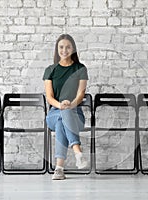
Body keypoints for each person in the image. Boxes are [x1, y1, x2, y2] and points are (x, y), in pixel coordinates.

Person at [43, 34, 88, 180]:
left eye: (68, 47)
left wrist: (72, 104)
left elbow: (81, 94)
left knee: (62, 121)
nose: (64, 50)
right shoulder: (50, 70)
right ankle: (77, 151)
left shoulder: (80, 68)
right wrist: (61, 105)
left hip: (76, 114)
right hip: (54, 112)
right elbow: (49, 97)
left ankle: (59, 169)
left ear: (73, 49)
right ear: (57, 49)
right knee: (61, 116)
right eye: (61, 47)